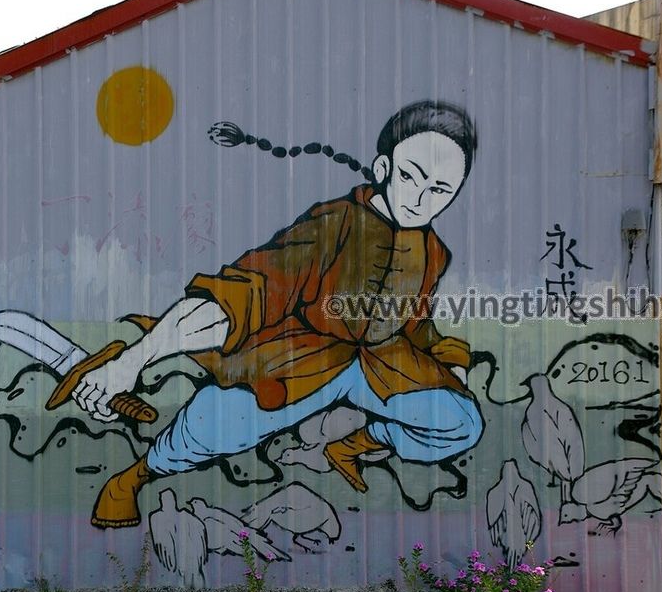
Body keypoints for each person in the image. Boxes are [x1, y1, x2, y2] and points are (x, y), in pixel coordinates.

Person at [57, 100, 484, 528]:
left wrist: (451, 362)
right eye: (411, 176)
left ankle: (351, 443)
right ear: (384, 168)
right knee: (212, 427)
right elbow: (250, 289)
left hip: (383, 365)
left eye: (441, 190)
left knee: (460, 424)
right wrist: (133, 360)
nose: (421, 198)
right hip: (301, 358)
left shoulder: (432, 251)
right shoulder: (334, 223)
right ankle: (134, 478)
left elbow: (416, 323)